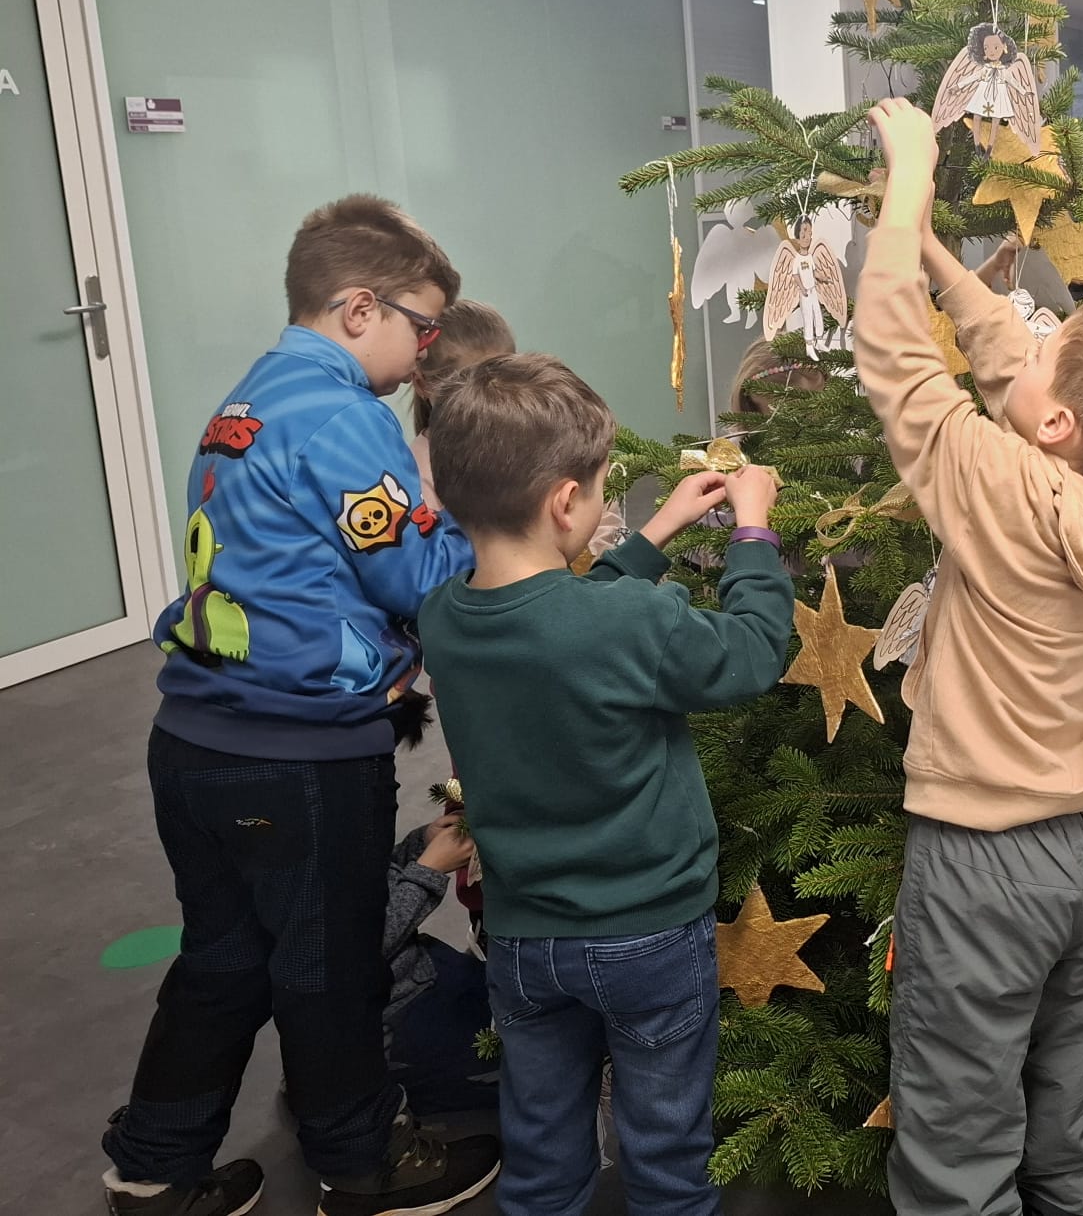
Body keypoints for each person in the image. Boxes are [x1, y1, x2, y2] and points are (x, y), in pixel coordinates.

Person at [105, 196, 500, 1216]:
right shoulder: (343, 414)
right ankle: (365, 1166)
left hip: (191, 739)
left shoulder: (247, 400)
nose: (426, 352)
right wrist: (489, 526)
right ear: (361, 309)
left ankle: (155, 1166)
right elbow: (419, 579)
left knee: (223, 957)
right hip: (300, 755)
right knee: (330, 968)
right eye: (423, 327)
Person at [857, 96, 1083, 1216]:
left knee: (957, 1135)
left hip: (984, 860)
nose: (1028, 339)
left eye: (1049, 349)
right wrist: (936, 257)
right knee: (1066, 1111)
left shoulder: (995, 484)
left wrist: (907, 185)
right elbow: (1011, 358)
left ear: (1054, 425)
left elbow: (895, 361)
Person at [421, 352, 793, 1216]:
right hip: (649, 934)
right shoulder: (628, 621)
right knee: (665, 1149)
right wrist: (753, 534)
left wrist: (652, 534)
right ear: (566, 504)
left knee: (544, 1146)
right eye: (595, 490)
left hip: (524, 938)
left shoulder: (444, 617)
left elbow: (563, 616)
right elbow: (749, 653)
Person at [382, 813, 495, 1115]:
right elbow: (348, 949)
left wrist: (420, 843)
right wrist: (427, 871)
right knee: (543, 1063)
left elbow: (371, 876)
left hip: (420, 968)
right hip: (388, 1007)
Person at [408, 300, 517, 509]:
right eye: (470, 389)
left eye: (506, 377)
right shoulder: (417, 477)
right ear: (422, 384)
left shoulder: (526, 444)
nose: (491, 398)